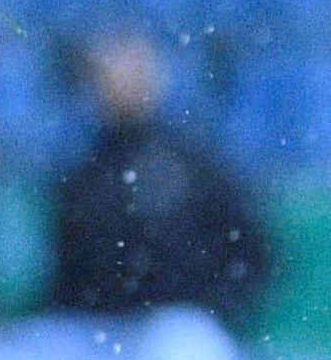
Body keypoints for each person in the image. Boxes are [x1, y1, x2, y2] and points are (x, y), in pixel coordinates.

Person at [46, 24, 272, 328]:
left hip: (178, 325)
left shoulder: (194, 160)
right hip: (98, 330)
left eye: (132, 68)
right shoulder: (83, 170)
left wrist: (213, 307)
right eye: (108, 71)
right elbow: (70, 273)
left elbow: (251, 256)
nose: (120, 81)